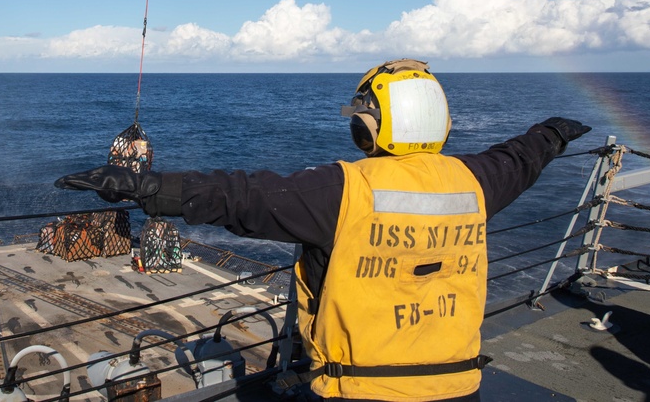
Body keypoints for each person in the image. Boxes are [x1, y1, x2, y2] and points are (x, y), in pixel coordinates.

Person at [55, 59, 591, 402]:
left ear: (368, 127)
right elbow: (519, 159)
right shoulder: (474, 182)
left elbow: (235, 196)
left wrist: (139, 186)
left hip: (360, 389)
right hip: (457, 384)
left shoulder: (342, 191)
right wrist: (550, 134)